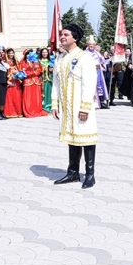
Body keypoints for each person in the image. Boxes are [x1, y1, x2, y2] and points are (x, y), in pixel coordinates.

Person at [51, 23, 99, 189]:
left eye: (66, 35)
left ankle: (90, 175)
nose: (62, 37)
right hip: (67, 107)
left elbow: (89, 83)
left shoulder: (85, 57)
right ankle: (72, 172)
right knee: (72, 138)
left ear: (75, 38)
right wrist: (55, 104)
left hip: (81, 106)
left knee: (86, 138)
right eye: (62, 34)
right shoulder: (60, 58)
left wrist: (85, 107)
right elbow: (56, 82)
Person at [20, 49, 46, 118]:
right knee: (28, 97)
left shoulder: (36, 61)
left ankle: (37, 110)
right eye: (27, 54)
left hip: (36, 81)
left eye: (30, 53)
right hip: (28, 81)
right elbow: (22, 71)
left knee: (36, 97)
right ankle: (28, 111)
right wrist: (30, 73)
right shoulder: (23, 62)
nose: (29, 55)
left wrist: (33, 72)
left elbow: (39, 70)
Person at [4, 48, 23, 118]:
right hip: (9, 81)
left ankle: (18, 112)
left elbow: (20, 70)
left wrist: (17, 72)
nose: (11, 54)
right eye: (9, 53)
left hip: (16, 81)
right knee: (9, 97)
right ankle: (10, 113)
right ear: (7, 54)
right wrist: (7, 81)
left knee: (17, 97)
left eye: (12, 53)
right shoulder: (5, 62)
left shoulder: (16, 61)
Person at [39, 48, 54, 113]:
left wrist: (52, 69)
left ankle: (49, 106)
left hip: (49, 79)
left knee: (49, 93)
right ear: (41, 53)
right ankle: (42, 107)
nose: (45, 53)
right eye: (43, 52)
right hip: (41, 80)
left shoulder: (51, 60)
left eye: (46, 52)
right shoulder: (38, 61)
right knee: (42, 93)